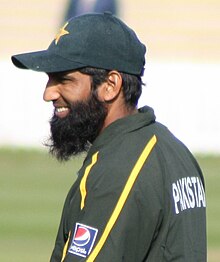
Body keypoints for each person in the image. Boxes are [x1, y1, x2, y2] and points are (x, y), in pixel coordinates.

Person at [11, 12, 207, 262]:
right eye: (49, 79)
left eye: (64, 80)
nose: (48, 93)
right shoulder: (174, 151)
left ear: (111, 85)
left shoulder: (117, 169)